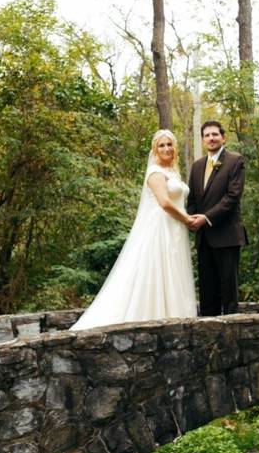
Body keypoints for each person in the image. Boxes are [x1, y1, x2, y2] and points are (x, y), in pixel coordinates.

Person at [71, 130, 198, 330]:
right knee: (157, 271)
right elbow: (164, 203)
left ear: (175, 148)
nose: (166, 149)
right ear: (155, 150)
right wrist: (187, 219)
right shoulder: (155, 172)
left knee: (174, 271)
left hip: (175, 229)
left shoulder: (174, 172)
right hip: (161, 227)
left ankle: (176, 316)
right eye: (161, 145)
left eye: (169, 144)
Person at [186, 120, 248, 316]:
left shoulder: (235, 161)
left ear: (223, 137)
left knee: (229, 293)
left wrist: (206, 218)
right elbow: (193, 199)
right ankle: (208, 334)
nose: (211, 138)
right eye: (207, 135)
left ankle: (231, 337)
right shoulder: (197, 167)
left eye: (215, 134)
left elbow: (232, 198)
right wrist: (192, 220)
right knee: (207, 291)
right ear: (203, 140)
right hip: (204, 238)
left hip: (227, 236)